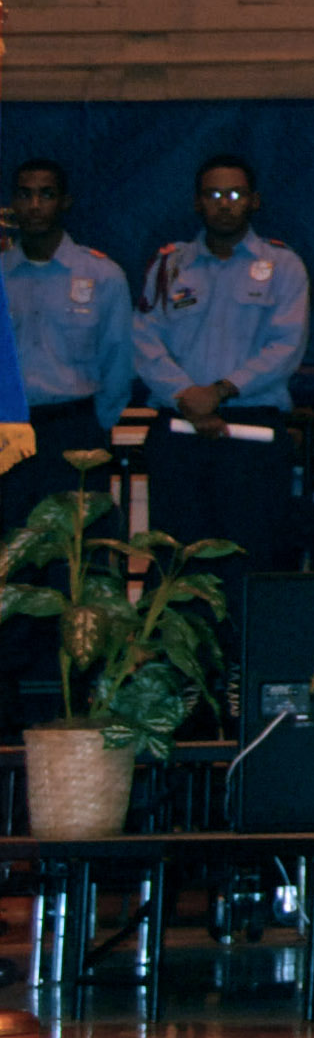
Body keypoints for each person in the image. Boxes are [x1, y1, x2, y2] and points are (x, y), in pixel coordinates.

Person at [133, 154, 310, 593]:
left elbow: (286, 347)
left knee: (251, 557)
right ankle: (176, 663)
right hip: (179, 430)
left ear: (254, 201)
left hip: (251, 436)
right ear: (197, 204)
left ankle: (242, 662)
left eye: (235, 194)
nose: (224, 204)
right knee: (177, 563)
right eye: (213, 195)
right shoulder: (169, 265)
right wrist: (188, 396)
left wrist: (220, 391)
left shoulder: (284, 266)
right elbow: (144, 339)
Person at [0, 158, 134, 726]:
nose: (35, 206)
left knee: (76, 575)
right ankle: (6, 717)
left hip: (73, 434)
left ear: (65, 202)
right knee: (11, 572)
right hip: (7, 437)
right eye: (25, 196)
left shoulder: (101, 277)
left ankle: (77, 709)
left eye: (46, 194)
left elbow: (118, 367)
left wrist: (88, 431)